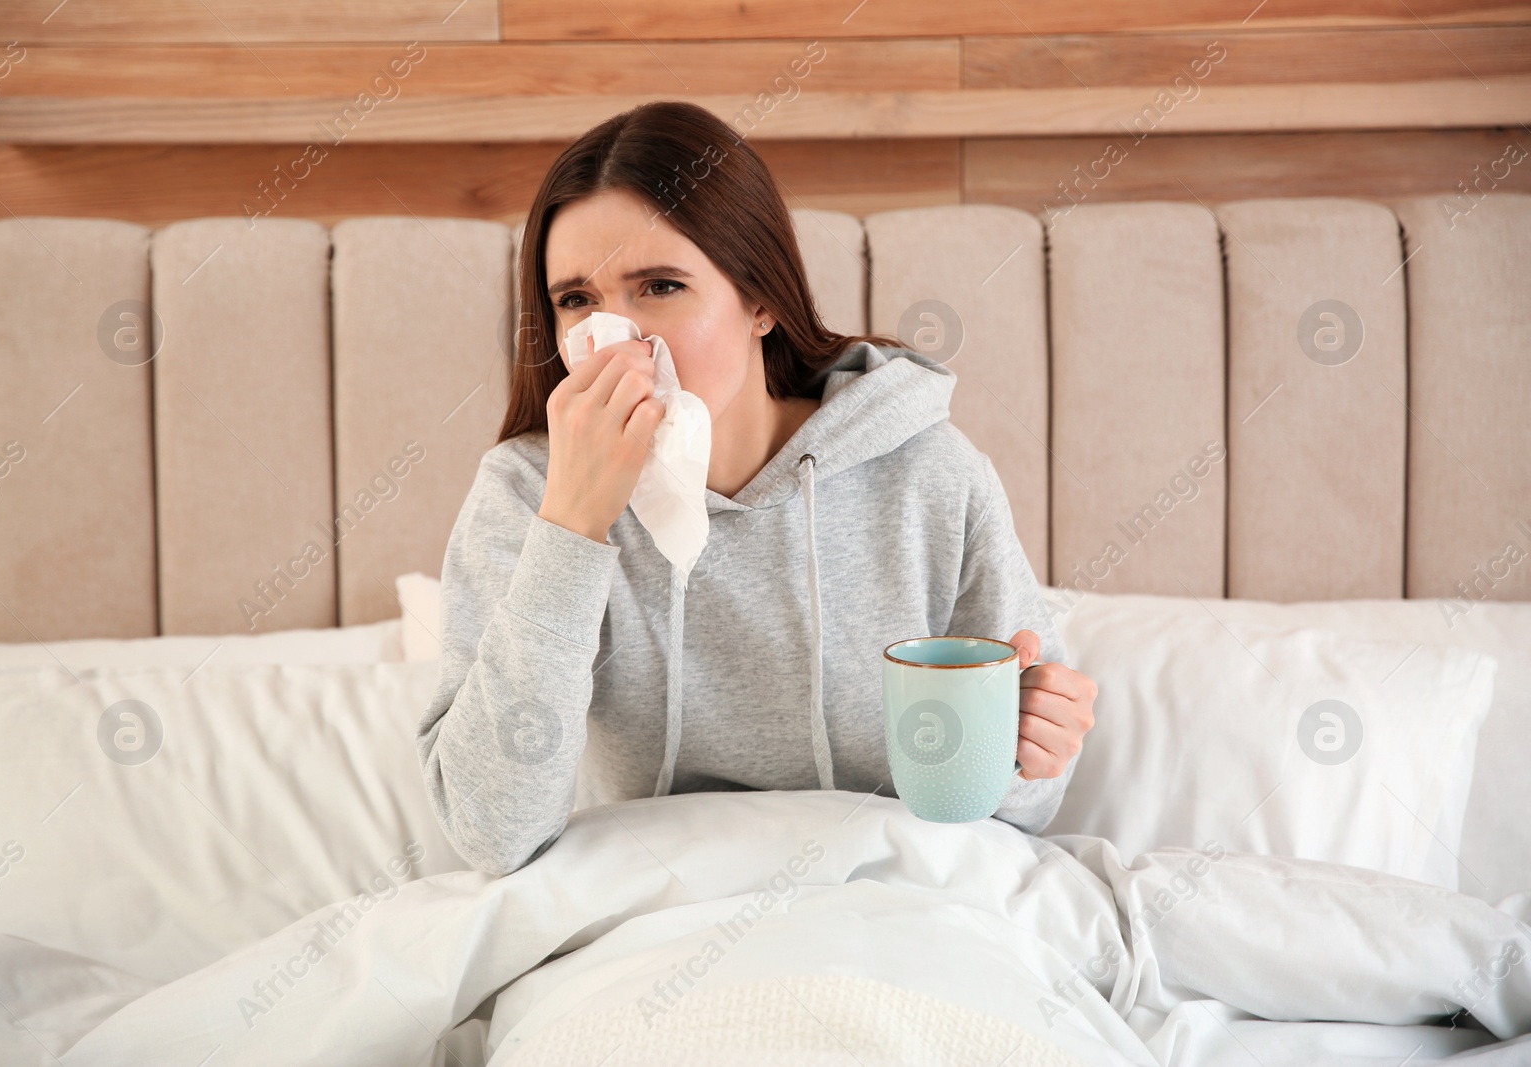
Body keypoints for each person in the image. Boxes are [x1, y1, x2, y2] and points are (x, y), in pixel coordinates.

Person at [416, 100, 1098, 878]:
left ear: (761, 301)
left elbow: (1022, 812)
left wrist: (1030, 746)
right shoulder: (525, 495)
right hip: (642, 934)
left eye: (660, 286)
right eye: (578, 300)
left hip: (890, 914)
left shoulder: (928, 476)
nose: (619, 339)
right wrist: (572, 524)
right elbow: (489, 832)